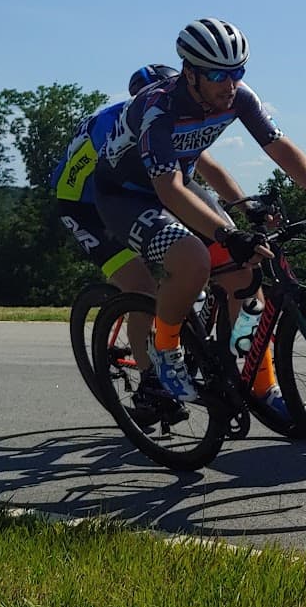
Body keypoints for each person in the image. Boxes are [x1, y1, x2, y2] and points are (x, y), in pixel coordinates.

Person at [93, 19, 306, 419]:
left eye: (238, 72)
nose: (230, 83)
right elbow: (168, 190)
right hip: (128, 196)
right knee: (193, 258)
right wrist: (226, 231)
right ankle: (166, 351)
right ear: (190, 72)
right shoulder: (158, 108)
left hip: (178, 184)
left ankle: (261, 384)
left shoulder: (239, 97)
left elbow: (279, 148)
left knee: (246, 274)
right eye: (219, 74)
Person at [52, 63, 249, 413]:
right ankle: (149, 384)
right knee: (140, 285)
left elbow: (209, 169)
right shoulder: (119, 124)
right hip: (84, 205)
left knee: (195, 261)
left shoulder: (174, 120)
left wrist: (242, 209)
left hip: (142, 193)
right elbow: (102, 185)